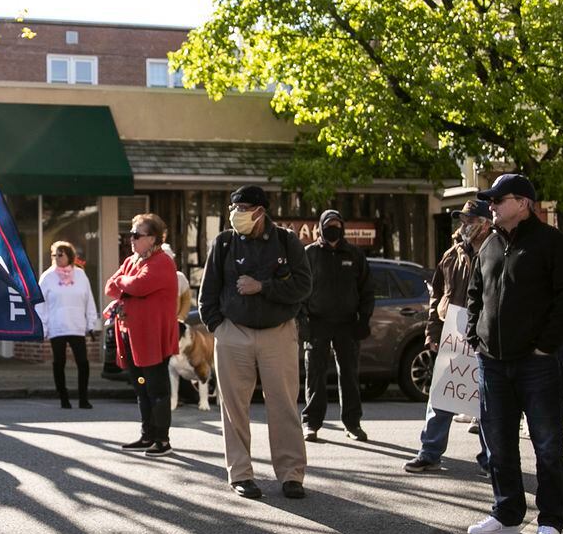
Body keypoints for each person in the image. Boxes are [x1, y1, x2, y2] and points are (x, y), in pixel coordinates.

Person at [465, 173, 563, 534]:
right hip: (493, 363)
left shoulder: (552, 243)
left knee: (547, 444)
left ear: (522, 203)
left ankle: (550, 520)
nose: (492, 207)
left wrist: (545, 345)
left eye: (499, 201)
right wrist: (475, 335)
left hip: (536, 363)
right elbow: (474, 295)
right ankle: (506, 513)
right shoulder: (488, 246)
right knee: (498, 443)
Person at [199, 185, 313, 500]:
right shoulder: (223, 243)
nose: (235, 214)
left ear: (260, 211)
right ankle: (240, 474)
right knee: (234, 407)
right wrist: (217, 327)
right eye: (232, 208)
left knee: (284, 405)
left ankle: (291, 475)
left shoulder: (287, 242)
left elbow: (303, 287)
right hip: (233, 331)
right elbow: (208, 292)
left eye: (243, 208)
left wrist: (261, 286)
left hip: (278, 332)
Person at [405, 199, 493, 474]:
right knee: (441, 395)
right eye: (462, 220)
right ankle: (429, 453)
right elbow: (437, 294)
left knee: (487, 401)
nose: (464, 225)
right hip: (454, 332)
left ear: (485, 223)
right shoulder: (452, 254)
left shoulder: (496, 250)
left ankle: (491, 460)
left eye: (470, 220)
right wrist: (432, 329)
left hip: (484, 335)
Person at [105, 213, 179, 457]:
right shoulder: (131, 262)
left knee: (156, 389)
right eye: (131, 234)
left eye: (137, 235)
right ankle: (147, 435)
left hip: (152, 338)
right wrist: (128, 282)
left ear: (153, 238)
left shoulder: (162, 262)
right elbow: (109, 287)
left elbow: (137, 286)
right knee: (141, 387)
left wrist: (125, 283)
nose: (131, 239)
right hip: (130, 336)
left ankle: (162, 440)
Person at [301, 210, 373, 441]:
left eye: (337, 224)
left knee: (349, 376)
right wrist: (302, 322)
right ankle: (311, 423)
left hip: (347, 324)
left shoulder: (355, 254)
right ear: (320, 227)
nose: (333, 228)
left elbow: (367, 290)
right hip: (317, 324)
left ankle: (352, 424)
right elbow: (299, 291)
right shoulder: (309, 254)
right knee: (315, 375)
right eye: (329, 224)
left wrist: (363, 319)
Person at [36, 240, 98, 409]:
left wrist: (91, 322)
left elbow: (89, 300)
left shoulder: (80, 275)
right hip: (57, 326)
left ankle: (83, 398)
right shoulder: (47, 277)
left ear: (69, 256)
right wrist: (44, 326)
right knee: (59, 362)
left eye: (60, 254)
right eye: (54, 255)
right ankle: (63, 397)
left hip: (77, 325)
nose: (57, 258)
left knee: (83, 362)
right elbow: (40, 303)